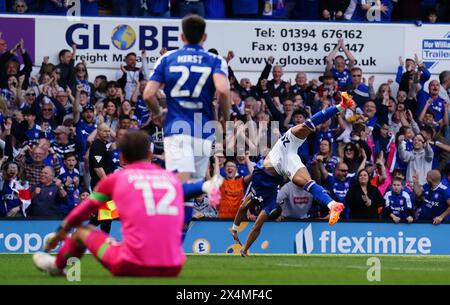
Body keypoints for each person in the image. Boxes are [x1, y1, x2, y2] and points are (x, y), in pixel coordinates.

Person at [32, 130, 221, 276]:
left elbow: (81, 212)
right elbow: (190, 189)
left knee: (83, 232)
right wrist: (207, 186)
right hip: (173, 266)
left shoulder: (116, 179)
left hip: (130, 263)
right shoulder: (170, 179)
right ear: (150, 155)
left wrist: (60, 233)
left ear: (122, 159)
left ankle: (57, 266)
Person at [230, 93, 355, 256]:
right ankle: (332, 205)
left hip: (283, 150)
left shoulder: (258, 194)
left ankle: (342, 105)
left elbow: (245, 213)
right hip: (285, 163)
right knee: (306, 182)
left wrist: (235, 229)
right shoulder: (270, 205)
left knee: (307, 125)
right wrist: (243, 247)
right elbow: (254, 225)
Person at [143, 14, 230, 238]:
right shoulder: (216, 61)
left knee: (179, 189)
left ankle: (206, 186)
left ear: (182, 36)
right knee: (187, 194)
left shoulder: (168, 58)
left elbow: (148, 94)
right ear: (204, 37)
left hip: (177, 129)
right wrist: (224, 119)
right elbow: (222, 90)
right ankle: (175, 251)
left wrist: (158, 112)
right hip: (203, 130)